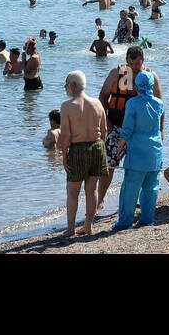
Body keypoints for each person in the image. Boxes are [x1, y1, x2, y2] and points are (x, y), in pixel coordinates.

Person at [97, 46, 163, 207]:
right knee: (109, 165)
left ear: (143, 61)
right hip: (117, 126)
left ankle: (136, 198)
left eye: (137, 64)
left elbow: (160, 106)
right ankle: (100, 200)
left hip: (140, 131)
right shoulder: (117, 73)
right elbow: (103, 97)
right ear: (127, 60)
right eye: (131, 64)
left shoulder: (150, 76)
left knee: (140, 166)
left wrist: (160, 130)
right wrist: (107, 123)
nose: (134, 68)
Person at [113, 70, 165, 229]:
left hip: (137, 151)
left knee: (130, 189)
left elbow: (128, 128)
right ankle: (147, 219)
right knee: (151, 187)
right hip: (155, 150)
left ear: (137, 86)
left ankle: (124, 222)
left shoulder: (132, 103)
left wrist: (120, 145)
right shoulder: (159, 103)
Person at [60, 71, 109, 236]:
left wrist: (64, 155)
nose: (65, 88)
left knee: (73, 191)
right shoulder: (97, 103)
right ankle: (88, 225)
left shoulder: (67, 106)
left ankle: (70, 228)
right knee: (91, 189)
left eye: (66, 84)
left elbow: (65, 134)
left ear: (73, 85)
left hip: (78, 148)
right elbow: (104, 130)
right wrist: (99, 147)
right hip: (97, 146)